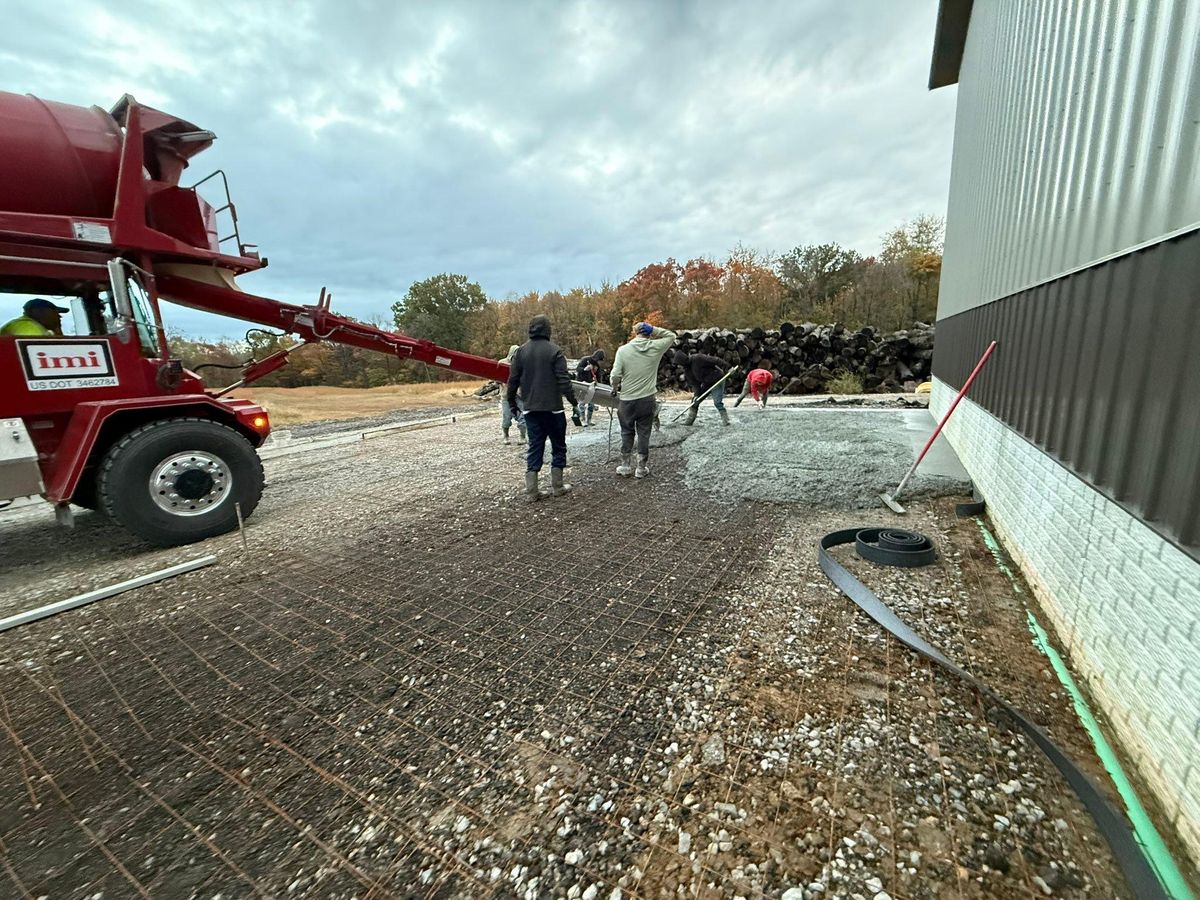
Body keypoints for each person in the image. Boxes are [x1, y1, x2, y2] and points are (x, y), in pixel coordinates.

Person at [506, 315, 581, 501]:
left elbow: (512, 381)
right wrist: (574, 403)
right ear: (548, 330)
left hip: (530, 409)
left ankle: (532, 491)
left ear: (530, 329)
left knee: (535, 446)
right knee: (558, 446)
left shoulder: (520, 352)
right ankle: (557, 486)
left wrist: (512, 403)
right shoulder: (555, 351)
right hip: (553, 409)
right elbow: (564, 381)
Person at [609, 321, 676, 478]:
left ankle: (625, 466)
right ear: (649, 333)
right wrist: (655, 329)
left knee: (627, 432)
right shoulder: (655, 347)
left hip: (627, 400)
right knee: (644, 432)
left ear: (635, 333)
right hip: (647, 399)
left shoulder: (623, 350)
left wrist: (614, 388)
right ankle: (641, 468)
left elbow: (615, 375)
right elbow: (671, 335)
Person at [675, 350, 731, 426]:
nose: (678, 366)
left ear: (682, 362)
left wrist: (728, 367)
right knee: (695, 402)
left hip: (717, 378)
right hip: (706, 383)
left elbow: (715, 360)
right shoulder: (687, 371)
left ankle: (725, 420)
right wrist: (696, 395)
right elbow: (695, 385)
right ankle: (689, 420)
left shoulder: (698, 358)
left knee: (717, 402)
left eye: (678, 364)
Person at [498, 344, 527, 445]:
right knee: (506, 418)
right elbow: (494, 377)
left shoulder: (523, 365)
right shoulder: (501, 363)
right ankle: (506, 436)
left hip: (519, 395)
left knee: (523, 417)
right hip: (506, 395)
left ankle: (523, 436)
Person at [1, 298, 69, 336]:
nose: (60, 316)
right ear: (40, 312)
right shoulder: (27, 327)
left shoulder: (32, 326)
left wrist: (57, 332)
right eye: (55, 312)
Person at [574, 349, 606, 426]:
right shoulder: (585, 360)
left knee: (591, 403)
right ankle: (582, 419)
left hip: (591, 385)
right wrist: (585, 369)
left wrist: (599, 384)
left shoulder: (597, 365)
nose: (599, 362)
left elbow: (599, 376)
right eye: (599, 360)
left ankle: (589, 420)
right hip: (582, 383)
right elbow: (578, 369)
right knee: (582, 402)